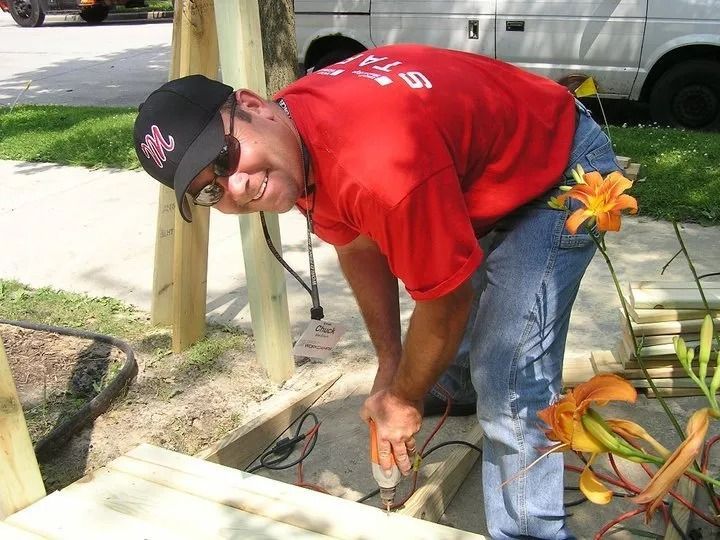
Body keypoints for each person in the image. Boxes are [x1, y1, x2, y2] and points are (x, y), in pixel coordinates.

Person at [133, 44, 622, 539]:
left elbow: (447, 301)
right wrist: (391, 366)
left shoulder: (378, 164)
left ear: (252, 105)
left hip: (560, 167)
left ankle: (530, 531)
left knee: (508, 373)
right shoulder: (292, 140)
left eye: (225, 156)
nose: (235, 187)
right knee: (445, 315)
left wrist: (404, 399)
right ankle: (452, 386)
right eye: (211, 189)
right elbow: (358, 247)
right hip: (480, 164)